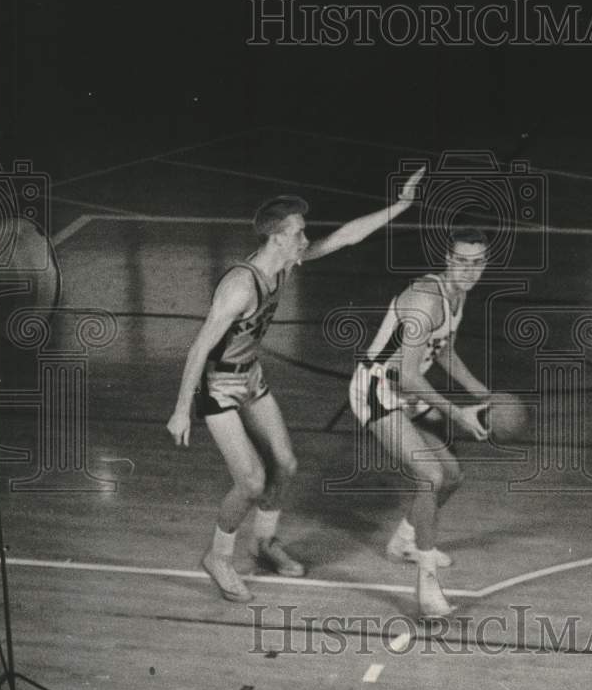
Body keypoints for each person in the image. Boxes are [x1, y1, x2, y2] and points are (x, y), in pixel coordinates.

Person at [167, 167, 425, 602]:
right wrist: (179, 409)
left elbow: (345, 237)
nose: (307, 238)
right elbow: (198, 349)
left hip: (250, 377)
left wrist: (401, 205)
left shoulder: (286, 263)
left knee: (285, 465)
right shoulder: (238, 286)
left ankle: (264, 543)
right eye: (299, 232)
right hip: (218, 388)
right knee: (250, 481)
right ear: (277, 238)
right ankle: (218, 556)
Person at [348, 226, 491, 617]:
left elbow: (443, 352)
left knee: (453, 476)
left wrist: (481, 392)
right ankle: (426, 586)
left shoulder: (456, 296)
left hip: (407, 392)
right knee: (429, 475)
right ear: (448, 260)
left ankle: (405, 543)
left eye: (477, 262)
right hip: (378, 389)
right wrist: (457, 412)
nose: (470, 270)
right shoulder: (425, 300)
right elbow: (408, 375)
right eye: (462, 261)